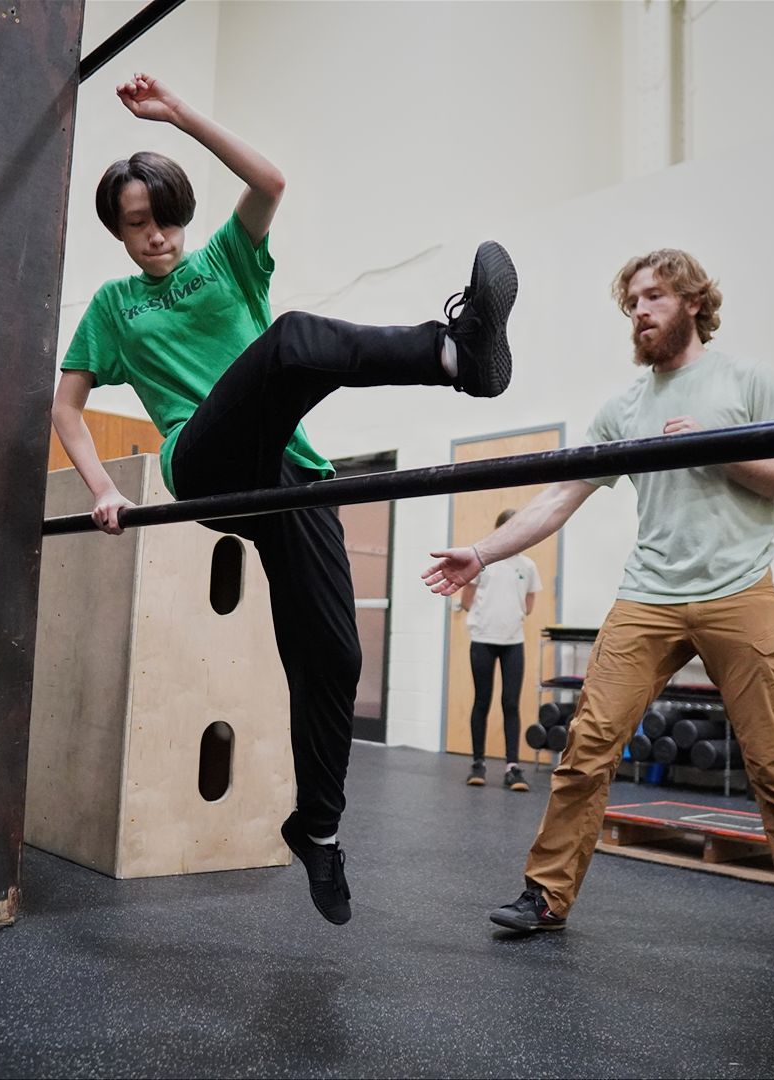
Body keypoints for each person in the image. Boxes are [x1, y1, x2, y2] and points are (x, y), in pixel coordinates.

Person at [52, 73, 518, 927]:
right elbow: (66, 408)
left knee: (333, 659)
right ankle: (456, 354)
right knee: (296, 338)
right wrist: (103, 491)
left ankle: (319, 829)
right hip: (207, 464)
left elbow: (268, 182)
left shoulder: (227, 259)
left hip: (294, 477)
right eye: (135, 225)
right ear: (117, 233)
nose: (154, 237)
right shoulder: (116, 308)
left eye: (162, 217)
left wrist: (180, 114)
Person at [422, 249, 774, 969]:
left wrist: (718, 451)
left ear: (692, 302)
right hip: (649, 595)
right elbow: (561, 494)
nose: (641, 312)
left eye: (654, 297)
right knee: (587, 747)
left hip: (739, 590)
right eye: (633, 303)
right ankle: (545, 896)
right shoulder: (624, 407)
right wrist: (484, 552)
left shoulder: (747, 380)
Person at [458, 509, 542, 792]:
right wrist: (486, 618)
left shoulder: (527, 566)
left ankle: (512, 768)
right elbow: (466, 599)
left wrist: (511, 614)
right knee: (482, 700)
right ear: (499, 531)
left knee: (510, 703)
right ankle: (478, 764)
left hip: (513, 642)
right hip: (483, 639)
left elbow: (529, 603)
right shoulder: (483, 564)